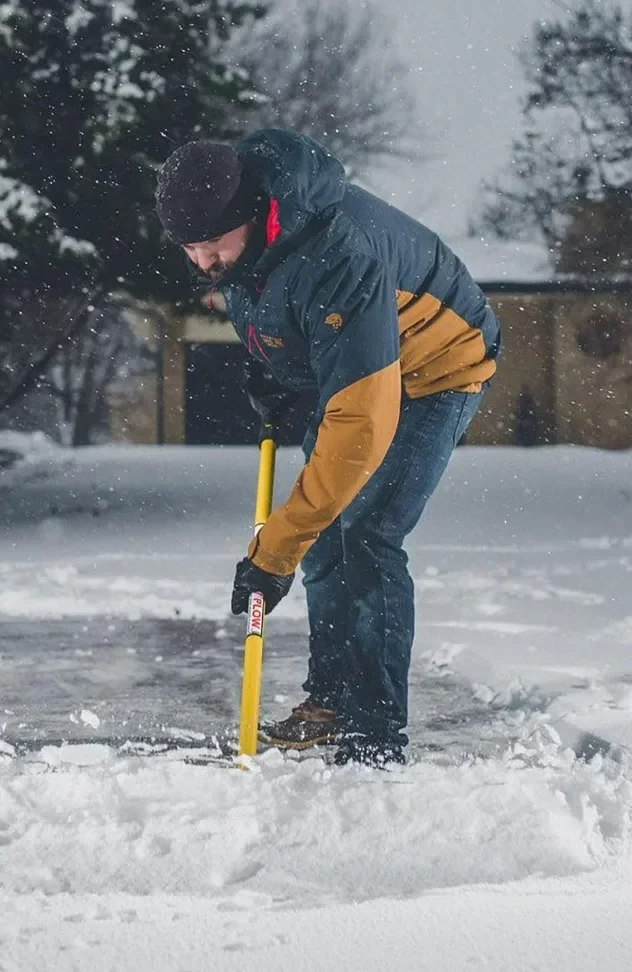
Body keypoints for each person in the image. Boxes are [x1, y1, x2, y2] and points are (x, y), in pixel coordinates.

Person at [155, 128, 501, 766]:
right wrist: (277, 370)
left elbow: (359, 429)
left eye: (209, 246)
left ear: (251, 216)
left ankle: (375, 732)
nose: (202, 264)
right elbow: (275, 310)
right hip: (362, 366)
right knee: (324, 534)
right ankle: (334, 700)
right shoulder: (252, 243)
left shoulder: (337, 252)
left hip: (437, 368)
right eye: (190, 250)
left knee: (366, 530)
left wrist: (274, 553)